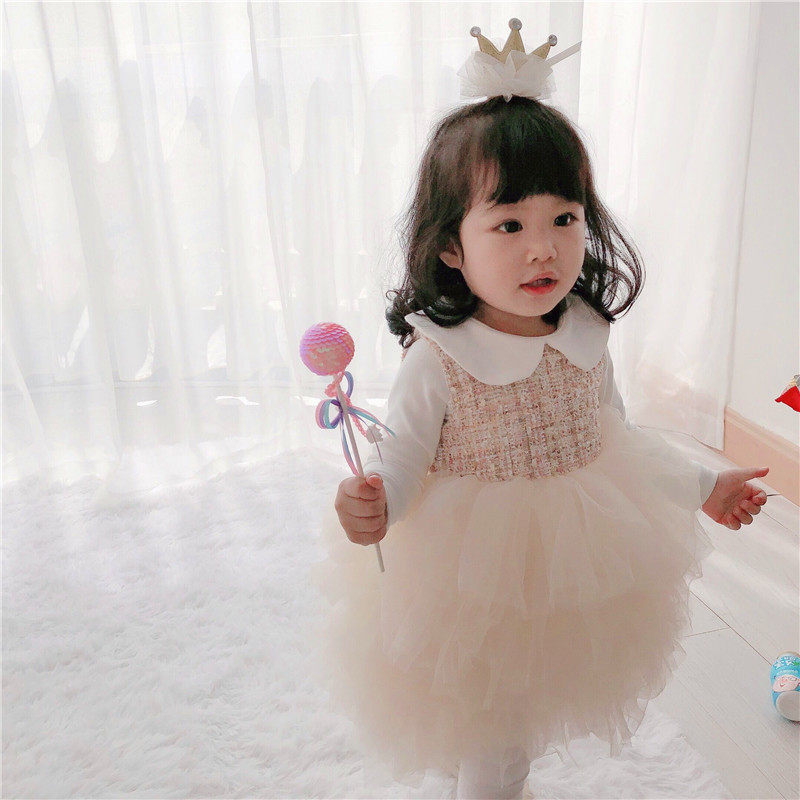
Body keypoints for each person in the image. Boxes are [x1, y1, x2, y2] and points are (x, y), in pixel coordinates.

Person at [310, 20, 769, 800]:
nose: (543, 248)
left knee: (513, 719)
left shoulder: (585, 333)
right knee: (491, 727)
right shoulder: (440, 358)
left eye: (564, 219)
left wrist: (705, 486)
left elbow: (618, 439)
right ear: (450, 246)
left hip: (573, 563)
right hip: (474, 575)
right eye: (509, 224)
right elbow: (400, 465)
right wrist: (373, 507)